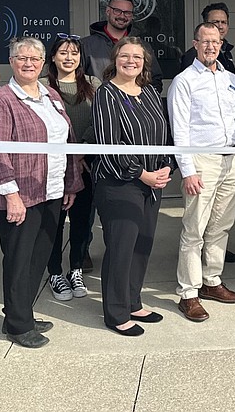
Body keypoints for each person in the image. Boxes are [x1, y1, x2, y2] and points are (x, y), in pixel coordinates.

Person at [0, 37, 82, 349]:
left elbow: (67, 142)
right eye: (22, 58)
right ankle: (17, 325)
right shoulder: (1, 100)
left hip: (50, 190)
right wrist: (11, 195)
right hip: (19, 196)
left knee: (38, 256)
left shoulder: (50, 94)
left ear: (43, 63)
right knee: (19, 259)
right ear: (12, 62)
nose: (28, 64)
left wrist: (70, 183)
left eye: (34, 59)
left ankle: (20, 311)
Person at [167, 22, 235, 322]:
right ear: (195, 44)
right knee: (195, 229)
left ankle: (211, 280)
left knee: (221, 225)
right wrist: (187, 170)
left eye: (215, 42)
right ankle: (188, 292)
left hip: (232, 160)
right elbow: (179, 130)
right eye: (205, 42)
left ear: (220, 44)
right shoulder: (184, 81)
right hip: (202, 161)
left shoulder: (230, 79)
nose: (210, 47)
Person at [91, 37, 174, 336]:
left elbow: (164, 134)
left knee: (142, 243)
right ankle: (115, 312)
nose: (131, 61)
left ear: (144, 62)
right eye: (124, 56)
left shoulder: (150, 92)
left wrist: (166, 166)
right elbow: (109, 145)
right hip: (120, 182)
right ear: (114, 60)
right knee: (121, 247)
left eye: (137, 57)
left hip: (153, 181)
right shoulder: (106, 94)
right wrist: (142, 174)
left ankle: (133, 300)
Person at [41, 35, 99, 302]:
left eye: (74, 53)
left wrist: (81, 148)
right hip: (52, 166)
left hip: (85, 164)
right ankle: (54, 272)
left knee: (81, 221)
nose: (68, 57)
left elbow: (100, 120)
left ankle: (75, 268)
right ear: (53, 57)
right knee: (53, 222)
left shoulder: (93, 85)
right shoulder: (41, 87)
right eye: (63, 52)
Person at [81, 0, 163, 91]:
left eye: (127, 12)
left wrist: (142, 100)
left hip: (133, 105)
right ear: (108, 11)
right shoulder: (85, 45)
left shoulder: (142, 46)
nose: (122, 16)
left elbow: (155, 80)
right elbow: (77, 79)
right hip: (97, 104)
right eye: (117, 11)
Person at [180, 2, 235, 73]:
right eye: (216, 22)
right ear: (205, 24)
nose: (220, 26)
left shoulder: (226, 52)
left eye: (223, 22)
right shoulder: (194, 55)